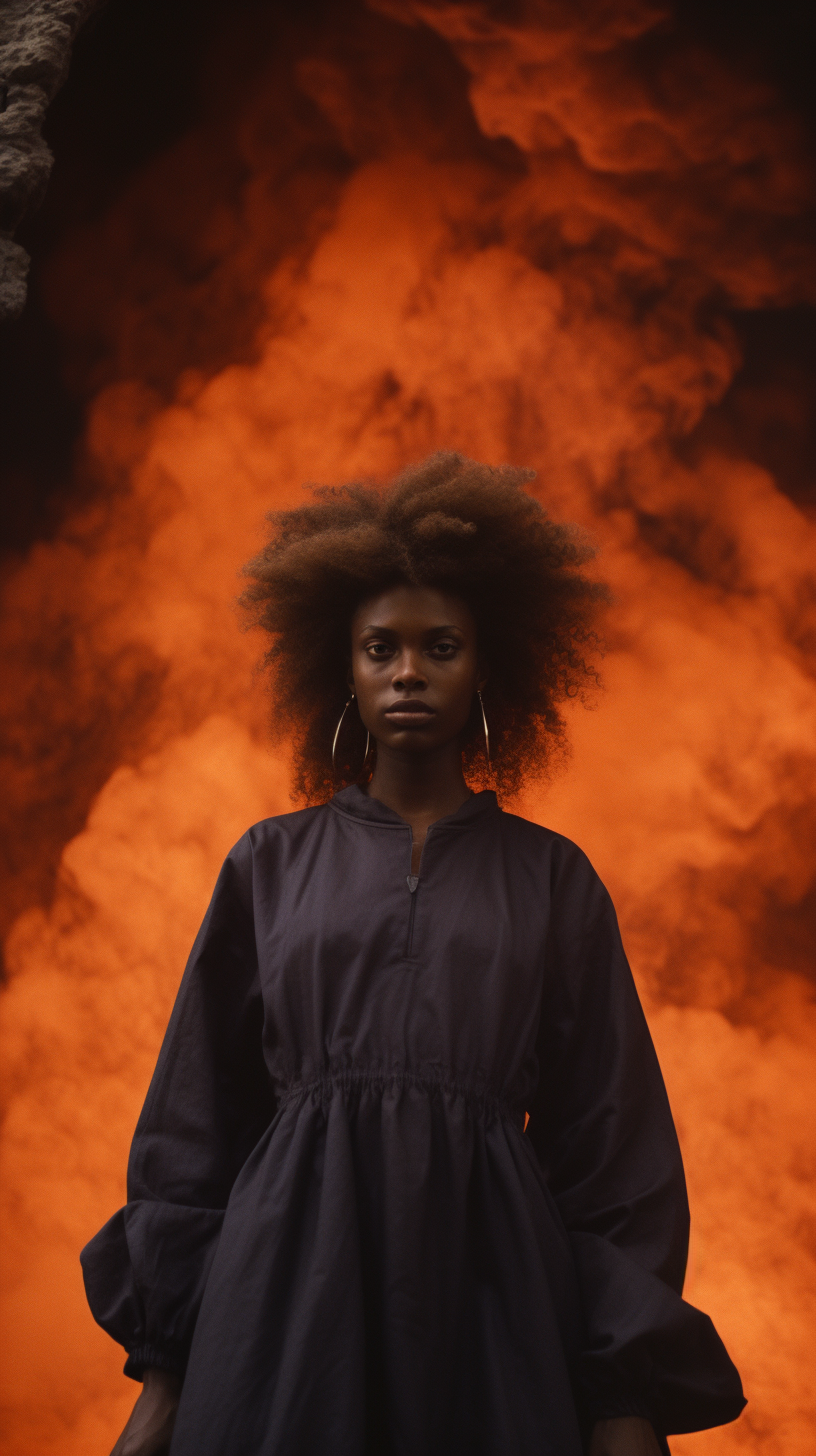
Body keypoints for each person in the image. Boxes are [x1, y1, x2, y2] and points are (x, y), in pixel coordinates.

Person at [82, 454, 745, 1456]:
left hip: (495, 1309)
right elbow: (195, 1124)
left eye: (440, 646)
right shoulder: (268, 863)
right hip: (279, 1312)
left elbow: (615, 1150)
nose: (407, 671)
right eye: (379, 647)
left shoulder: (554, 881)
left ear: (489, 667)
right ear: (340, 668)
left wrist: (624, 1395)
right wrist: (167, 1375)